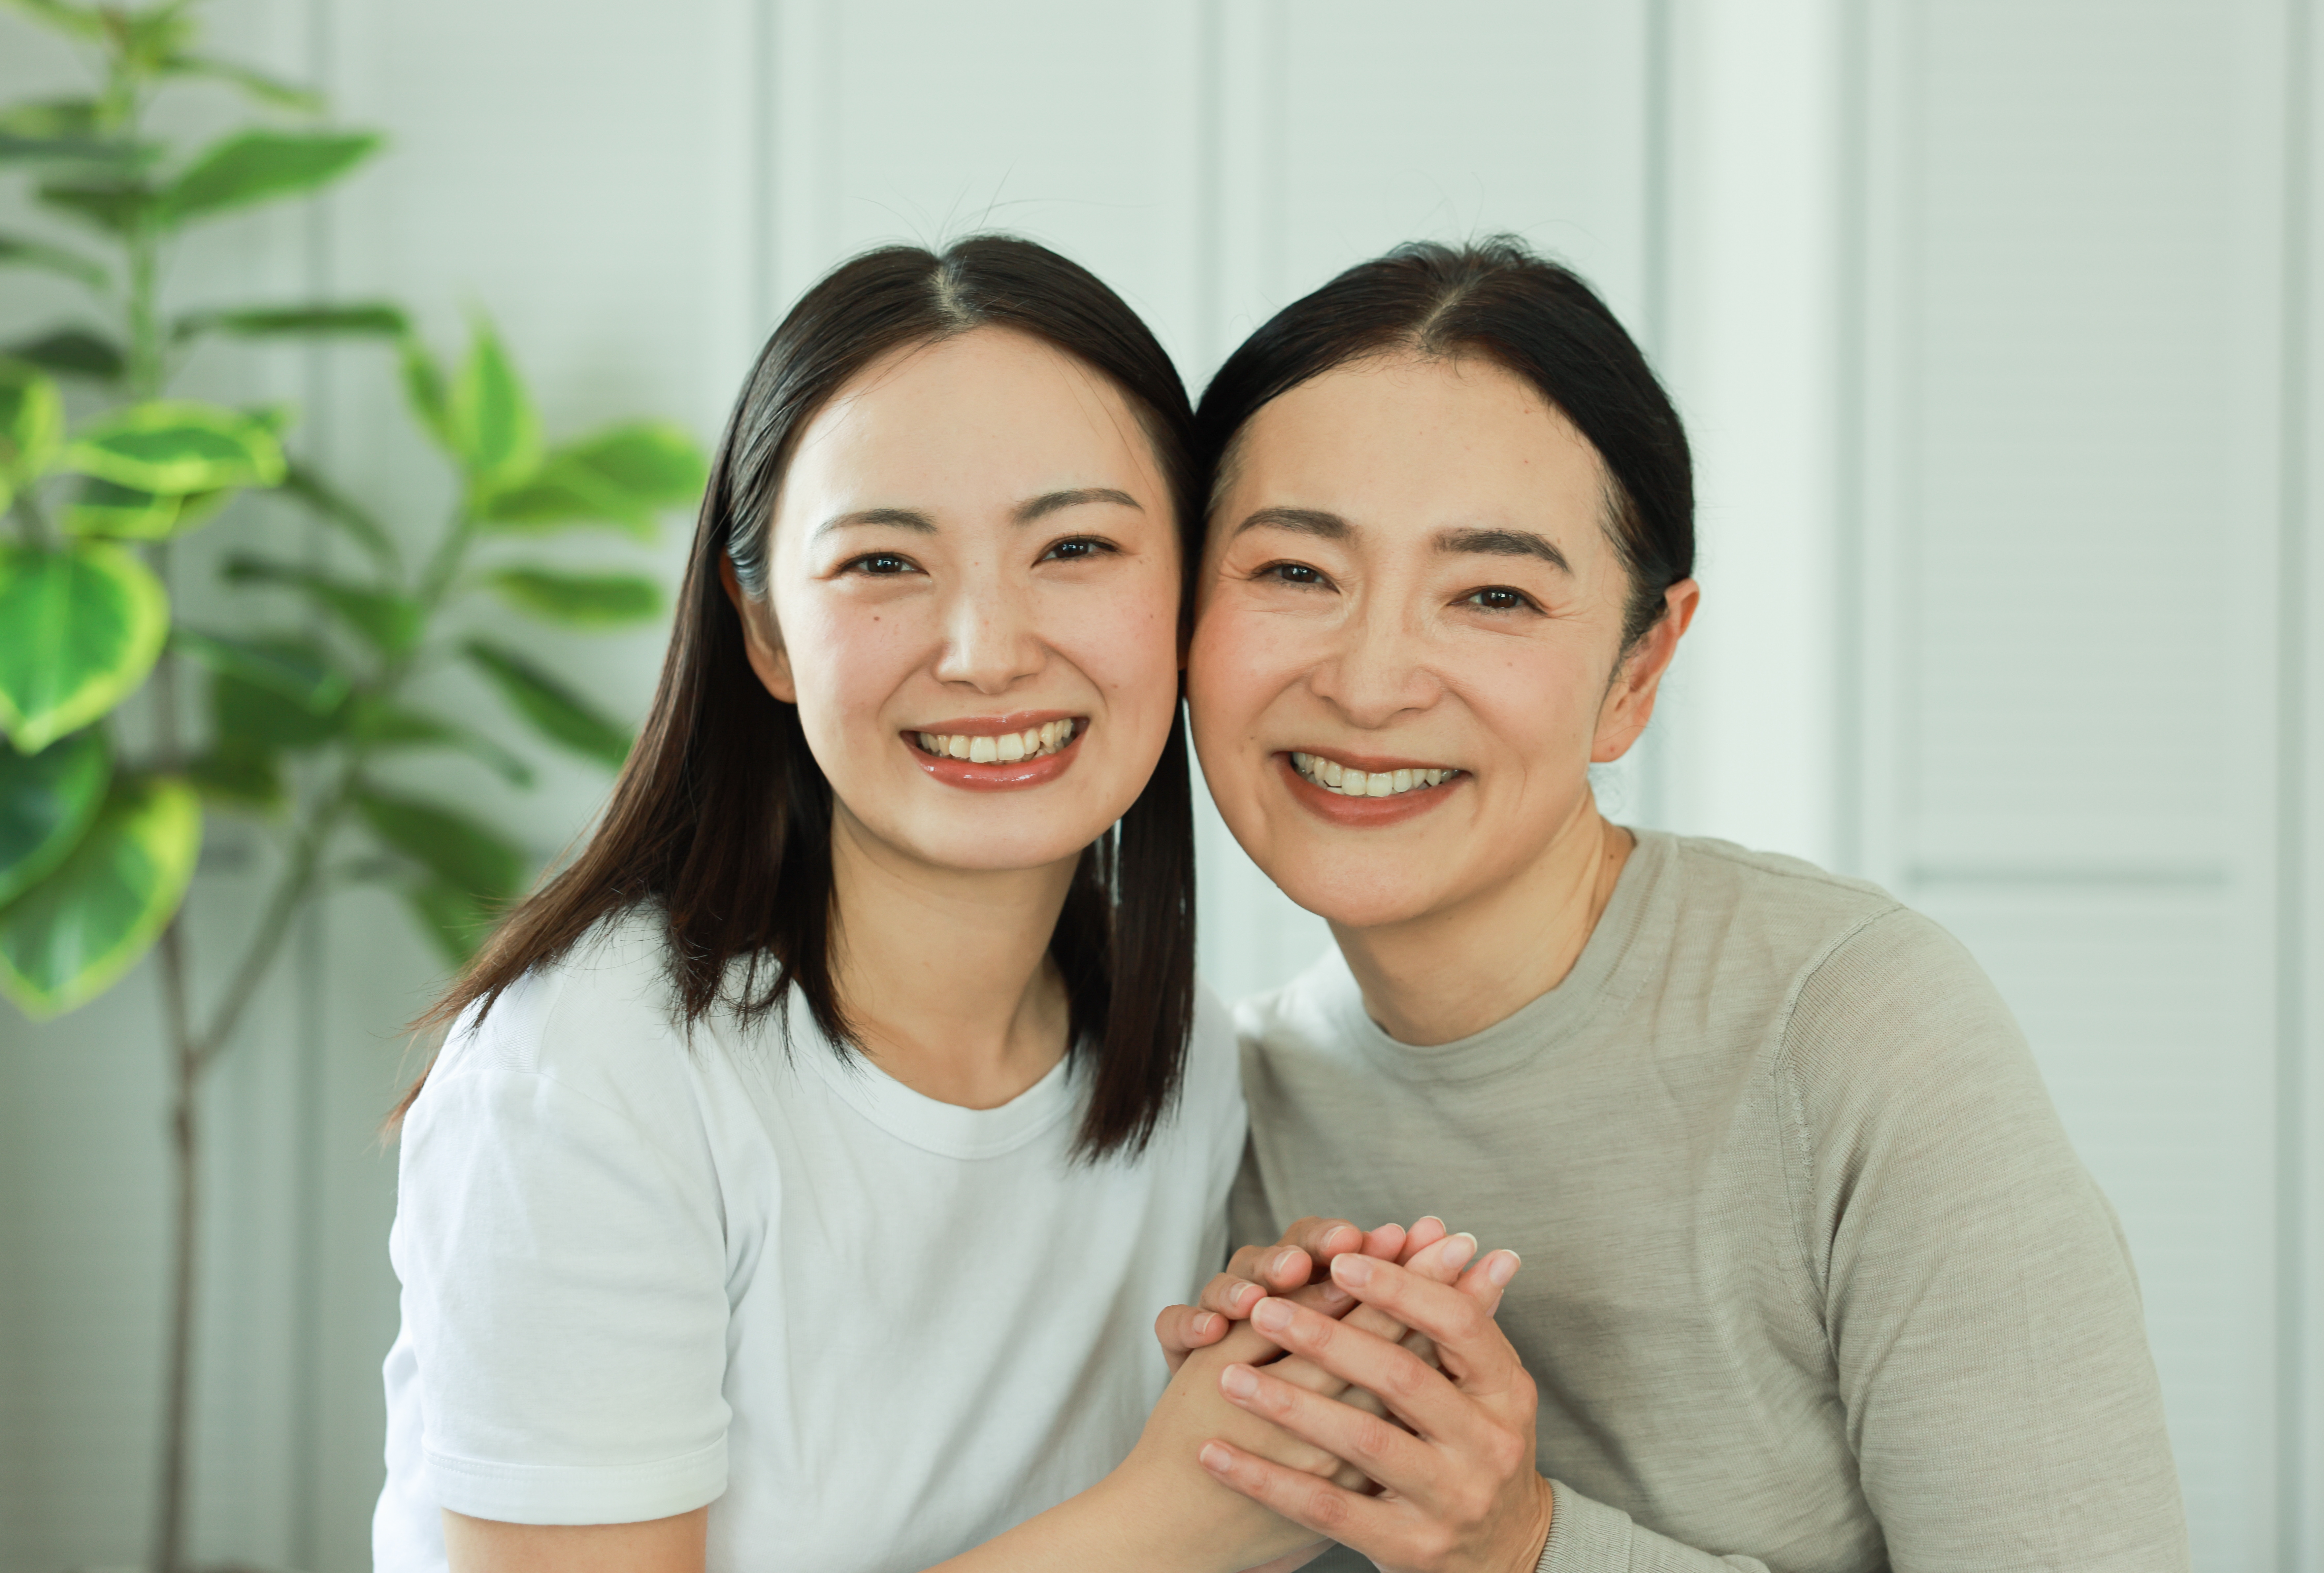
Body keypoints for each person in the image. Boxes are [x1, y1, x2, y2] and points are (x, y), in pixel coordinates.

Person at [371, 236, 1511, 1573]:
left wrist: (1303, 1372)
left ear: (1188, 598)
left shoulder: (1178, 1058)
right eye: (881, 564)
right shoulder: (593, 1068)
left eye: (1074, 546)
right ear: (763, 632)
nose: (986, 652)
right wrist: (1180, 1513)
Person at [1158, 238, 2192, 1572]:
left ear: (1637, 669)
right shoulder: (1226, 1105)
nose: (1368, 683)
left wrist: (1520, 1546)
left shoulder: (1855, 1028)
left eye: (1491, 594)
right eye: (1295, 572)